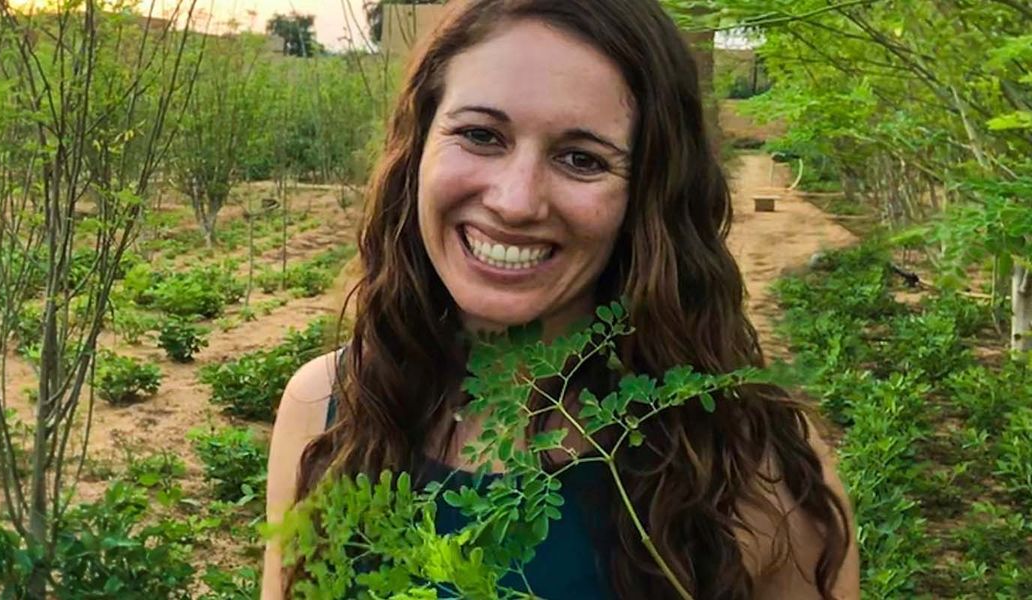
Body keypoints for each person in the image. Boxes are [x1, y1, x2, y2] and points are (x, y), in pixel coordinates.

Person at [260, 1, 860, 598]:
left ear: (650, 194)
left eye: (581, 159)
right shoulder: (325, 410)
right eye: (480, 135)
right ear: (417, 149)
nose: (516, 202)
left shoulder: (755, 473)